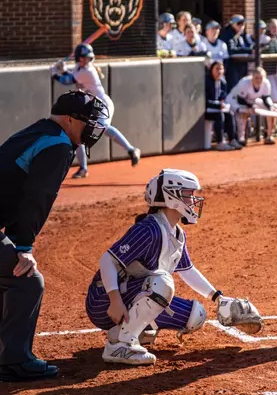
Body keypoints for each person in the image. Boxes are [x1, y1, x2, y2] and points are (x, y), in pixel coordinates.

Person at [84, 169, 261, 365]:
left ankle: (131, 331)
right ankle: (119, 346)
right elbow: (107, 260)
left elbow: (187, 270)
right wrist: (115, 300)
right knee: (162, 283)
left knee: (196, 316)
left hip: (129, 293)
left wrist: (218, 297)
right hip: (104, 301)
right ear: (171, 196)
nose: (193, 200)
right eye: (188, 195)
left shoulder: (176, 233)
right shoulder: (149, 228)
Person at [0, 90, 108, 381]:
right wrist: (22, 247)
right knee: (27, 280)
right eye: (89, 121)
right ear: (70, 120)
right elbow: (37, 198)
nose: (94, 127)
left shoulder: (37, 131)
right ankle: (14, 362)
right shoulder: (58, 145)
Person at [51, 44, 141, 178]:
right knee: (78, 133)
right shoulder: (79, 68)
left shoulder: (87, 71)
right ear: (78, 58)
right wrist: (63, 69)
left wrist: (54, 73)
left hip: (102, 104)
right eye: (83, 58)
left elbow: (68, 80)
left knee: (103, 127)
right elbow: (72, 74)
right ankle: (83, 168)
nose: (85, 60)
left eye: (87, 58)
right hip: (89, 106)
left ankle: (131, 150)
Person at [229, 67, 277, 145]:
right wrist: (251, 106)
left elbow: (266, 98)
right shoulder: (245, 82)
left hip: (252, 100)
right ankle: (240, 138)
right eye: (256, 78)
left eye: (261, 78)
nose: (259, 80)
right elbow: (240, 99)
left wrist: (271, 106)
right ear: (252, 77)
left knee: (272, 110)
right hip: (234, 100)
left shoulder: (266, 83)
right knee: (244, 110)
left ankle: (268, 136)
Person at [204, 61, 240, 151]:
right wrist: (218, 105)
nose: (219, 71)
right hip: (205, 110)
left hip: (217, 109)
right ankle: (220, 142)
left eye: (221, 69)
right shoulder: (206, 81)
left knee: (230, 114)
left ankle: (232, 139)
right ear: (211, 70)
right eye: (217, 69)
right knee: (219, 115)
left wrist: (222, 105)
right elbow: (204, 101)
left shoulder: (223, 82)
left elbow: (222, 98)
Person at [219, 14, 252, 89]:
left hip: (241, 65)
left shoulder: (241, 35)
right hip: (232, 67)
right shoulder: (227, 34)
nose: (241, 26)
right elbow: (232, 50)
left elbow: (246, 47)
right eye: (239, 24)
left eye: (243, 24)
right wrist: (250, 50)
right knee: (234, 89)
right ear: (232, 24)